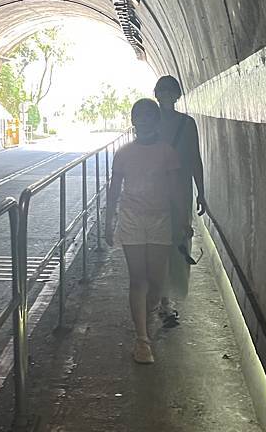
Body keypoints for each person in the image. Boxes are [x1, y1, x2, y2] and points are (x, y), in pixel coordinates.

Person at [105, 98, 188, 364]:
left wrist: (183, 220)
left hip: (160, 219)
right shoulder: (123, 153)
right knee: (137, 279)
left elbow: (176, 190)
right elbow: (114, 189)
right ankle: (142, 339)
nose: (144, 119)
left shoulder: (167, 152)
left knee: (155, 282)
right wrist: (109, 221)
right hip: (131, 219)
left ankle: (148, 316)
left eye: (149, 115)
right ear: (133, 120)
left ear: (156, 120)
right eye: (139, 115)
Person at [154, 75, 206, 319]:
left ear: (176, 95)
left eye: (169, 90)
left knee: (177, 241)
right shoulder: (153, 123)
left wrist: (202, 193)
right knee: (159, 242)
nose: (166, 94)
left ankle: (167, 296)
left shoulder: (187, 124)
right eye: (162, 90)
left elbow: (195, 158)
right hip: (157, 192)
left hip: (179, 192)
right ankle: (163, 298)